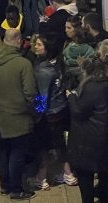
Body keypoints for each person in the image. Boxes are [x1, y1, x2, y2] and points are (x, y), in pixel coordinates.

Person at [67, 56, 108, 203]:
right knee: (105, 176)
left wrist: (71, 97)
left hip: (89, 141)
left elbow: (78, 111)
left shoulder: (91, 87)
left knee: (85, 175)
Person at [0, 28, 37, 199]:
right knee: (17, 154)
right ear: (18, 40)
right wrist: (39, 110)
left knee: (4, 152)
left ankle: (5, 186)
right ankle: (17, 190)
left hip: (1, 116)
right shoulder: (23, 64)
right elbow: (30, 93)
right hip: (19, 116)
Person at [31, 34, 77, 190]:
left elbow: (42, 97)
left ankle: (41, 178)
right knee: (59, 144)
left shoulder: (43, 70)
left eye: (39, 44)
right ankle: (68, 174)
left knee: (45, 146)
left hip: (49, 114)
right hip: (60, 109)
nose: (35, 47)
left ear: (47, 48)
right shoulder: (58, 64)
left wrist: (37, 115)